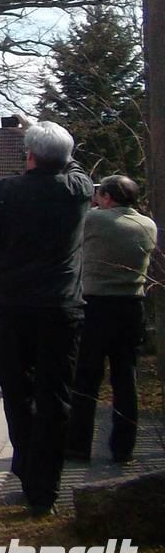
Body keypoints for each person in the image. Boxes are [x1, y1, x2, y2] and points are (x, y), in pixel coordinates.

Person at [0, 119, 93, 516]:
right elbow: (73, 167)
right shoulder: (77, 191)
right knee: (55, 394)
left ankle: (25, 461)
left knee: (16, 388)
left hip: (12, 304)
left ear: (28, 155)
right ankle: (47, 484)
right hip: (61, 307)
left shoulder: (3, 192)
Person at [67, 175, 157, 465]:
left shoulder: (96, 221)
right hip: (132, 304)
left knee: (86, 378)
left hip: (95, 305)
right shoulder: (148, 225)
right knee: (125, 378)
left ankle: (79, 444)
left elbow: (75, 224)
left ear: (108, 197)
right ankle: (123, 447)